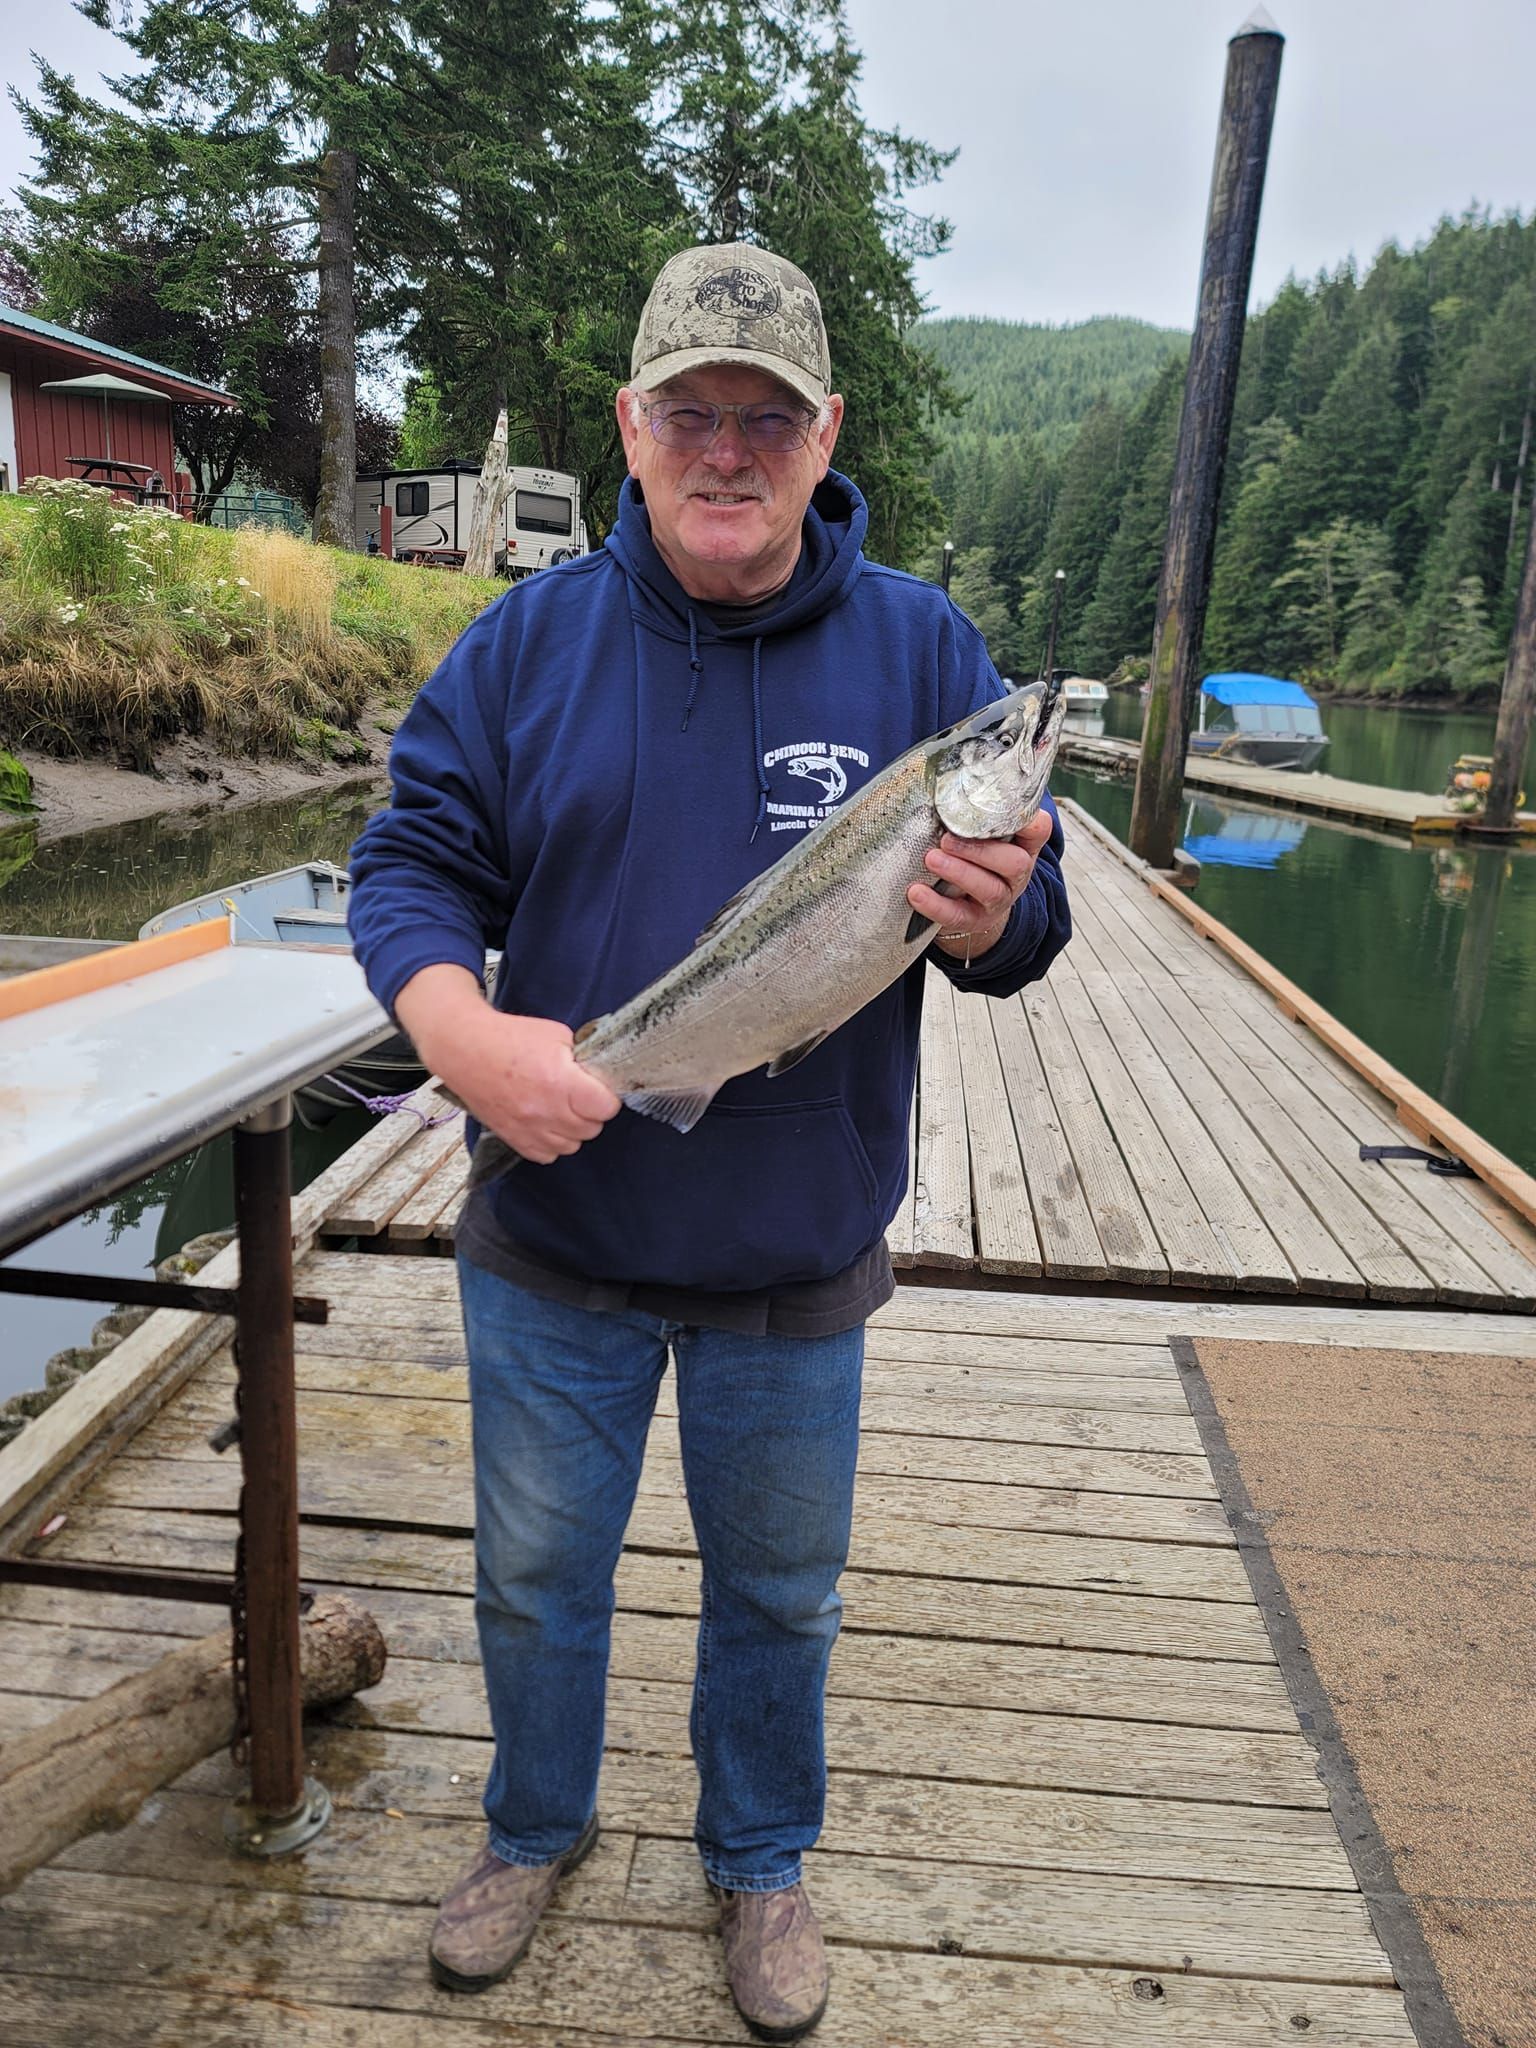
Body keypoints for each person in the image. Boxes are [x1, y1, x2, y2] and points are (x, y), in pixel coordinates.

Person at [346, 242, 1071, 2042]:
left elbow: (1031, 934)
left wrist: (994, 915)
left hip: (789, 1256)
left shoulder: (925, 654)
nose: (726, 450)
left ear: (826, 436)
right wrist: (455, 1032)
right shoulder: (525, 646)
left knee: (777, 1595)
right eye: (692, 413)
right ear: (632, 427)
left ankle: (761, 1863)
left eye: (766, 418)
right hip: (556, 1231)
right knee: (532, 1576)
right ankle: (532, 1831)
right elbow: (408, 866)